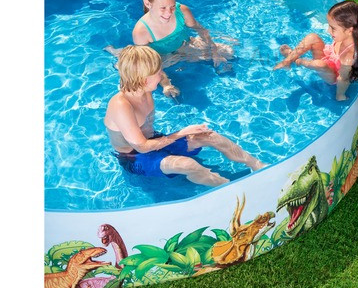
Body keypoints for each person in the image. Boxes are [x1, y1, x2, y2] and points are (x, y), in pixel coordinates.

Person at [104, 45, 266, 186]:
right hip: (134, 157)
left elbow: (152, 73)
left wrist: (166, 85)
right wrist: (182, 133)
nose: (161, 74)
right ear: (143, 79)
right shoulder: (121, 106)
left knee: (210, 136)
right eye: (157, 72)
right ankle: (230, 188)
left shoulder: (141, 86)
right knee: (188, 165)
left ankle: (258, 166)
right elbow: (142, 147)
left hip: (154, 140)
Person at [108, 0, 233, 98]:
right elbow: (150, 62)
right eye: (163, 8)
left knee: (228, 52)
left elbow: (201, 30)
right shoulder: (141, 31)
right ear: (147, 3)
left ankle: (181, 56)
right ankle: (119, 54)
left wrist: (215, 51)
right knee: (138, 73)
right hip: (160, 57)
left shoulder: (182, 11)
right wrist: (166, 84)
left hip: (184, 45)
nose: (168, 12)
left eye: (172, 6)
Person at [273, 0, 358, 101]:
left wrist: (340, 95)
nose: (328, 31)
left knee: (320, 64)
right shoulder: (346, 35)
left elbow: (343, 80)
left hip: (332, 76)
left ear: (350, 30)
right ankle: (287, 61)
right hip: (329, 58)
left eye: (333, 28)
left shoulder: (349, 58)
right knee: (312, 37)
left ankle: (297, 60)